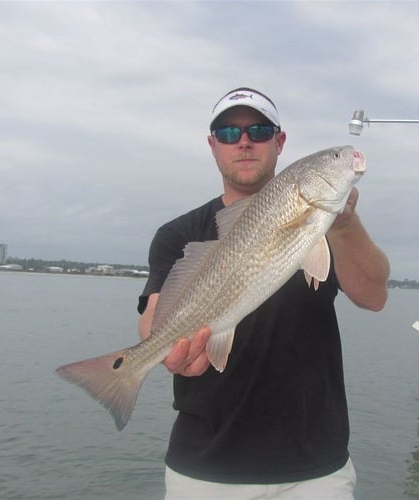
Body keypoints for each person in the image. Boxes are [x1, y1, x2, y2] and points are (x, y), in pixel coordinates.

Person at [137, 87, 390, 499]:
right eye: (228, 132)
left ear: (279, 141)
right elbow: (153, 314)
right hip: (205, 470)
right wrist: (161, 348)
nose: (244, 142)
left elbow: (375, 296)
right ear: (212, 145)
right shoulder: (178, 235)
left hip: (316, 471)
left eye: (258, 129)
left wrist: (343, 224)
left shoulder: (332, 226)